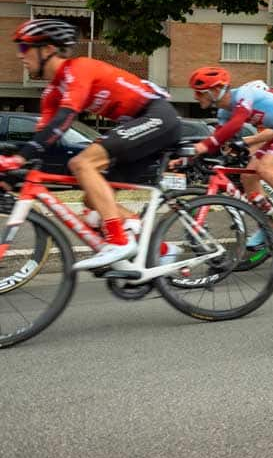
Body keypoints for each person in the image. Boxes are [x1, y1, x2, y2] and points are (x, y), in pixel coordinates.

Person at [1, 18, 182, 270]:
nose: (20, 56)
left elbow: (64, 119)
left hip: (157, 116)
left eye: (24, 48)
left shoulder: (78, 69)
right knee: (93, 201)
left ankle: (119, 241)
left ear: (48, 49)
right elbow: (43, 139)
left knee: (82, 163)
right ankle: (162, 249)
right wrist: (16, 173)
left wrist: (19, 158)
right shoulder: (51, 93)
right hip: (135, 125)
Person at [187, 67, 273, 219]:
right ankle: (269, 226)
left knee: (265, 168)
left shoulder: (244, 93)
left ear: (216, 90)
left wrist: (204, 145)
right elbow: (219, 139)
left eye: (199, 92)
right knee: (248, 176)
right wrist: (188, 156)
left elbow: (237, 122)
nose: (195, 97)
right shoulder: (223, 112)